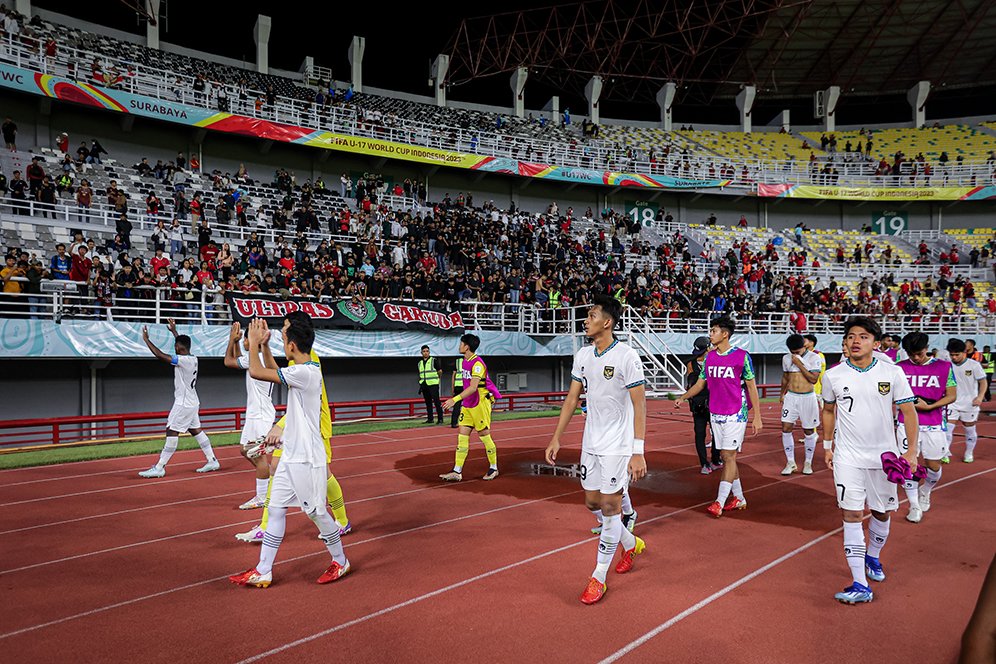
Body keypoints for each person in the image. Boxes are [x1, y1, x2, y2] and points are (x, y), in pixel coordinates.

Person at [229, 317, 350, 588]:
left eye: (284, 340)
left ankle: (341, 561)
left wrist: (255, 344)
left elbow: (258, 372)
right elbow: (273, 369)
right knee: (275, 510)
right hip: (291, 454)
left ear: (293, 345)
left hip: (307, 457)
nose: (282, 342)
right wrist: (267, 348)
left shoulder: (307, 372)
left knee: (318, 514)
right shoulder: (301, 368)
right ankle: (263, 569)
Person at [545, 295, 647, 605]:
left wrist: (638, 450)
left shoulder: (628, 356)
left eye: (591, 315)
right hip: (591, 442)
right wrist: (556, 437)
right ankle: (630, 543)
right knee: (591, 501)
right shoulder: (583, 355)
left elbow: (639, 403)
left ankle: (598, 577)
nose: (585, 320)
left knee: (610, 507)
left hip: (618, 445)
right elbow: (572, 399)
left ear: (607, 322)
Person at [821, 316, 918, 604]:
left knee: (881, 512)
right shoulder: (833, 376)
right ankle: (859, 583)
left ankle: (873, 558)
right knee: (850, 514)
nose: (855, 341)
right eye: (851, 336)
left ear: (876, 344)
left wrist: (910, 451)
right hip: (847, 457)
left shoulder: (893, 373)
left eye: (863, 336)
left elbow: (909, 412)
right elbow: (828, 410)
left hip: (884, 459)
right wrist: (828, 446)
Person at [674, 316, 762, 517]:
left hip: (736, 413)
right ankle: (739, 497)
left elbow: (751, 386)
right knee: (726, 456)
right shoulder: (710, 358)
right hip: (716, 412)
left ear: (725, 334)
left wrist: (757, 416)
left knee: (728, 456)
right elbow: (700, 384)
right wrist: (683, 396)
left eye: (713, 331)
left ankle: (719, 501)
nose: (710, 334)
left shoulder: (742, 357)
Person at [138, 318, 219, 477]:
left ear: (178, 348)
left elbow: (161, 356)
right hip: (193, 401)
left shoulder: (182, 361)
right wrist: (174, 331)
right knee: (196, 430)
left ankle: (160, 467)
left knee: (171, 430)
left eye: (176, 346)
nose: (174, 348)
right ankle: (212, 460)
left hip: (183, 404)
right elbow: (179, 345)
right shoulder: (193, 358)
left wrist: (147, 340)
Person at [896, 332, 956, 523]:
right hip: (905, 423)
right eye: (911, 354)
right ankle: (913, 505)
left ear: (927, 348)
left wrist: (930, 406)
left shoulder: (944, 367)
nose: (916, 358)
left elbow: (952, 395)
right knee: (908, 464)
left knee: (933, 465)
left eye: (919, 353)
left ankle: (926, 490)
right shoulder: (898, 368)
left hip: (934, 423)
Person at [224, 322, 276, 511]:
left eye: (246, 338)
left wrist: (231, 340)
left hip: (260, 414)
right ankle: (269, 478)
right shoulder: (255, 357)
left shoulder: (258, 357)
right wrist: (237, 342)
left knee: (257, 455)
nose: (245, 342)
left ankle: (263, 496)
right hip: (256, 413)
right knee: (245, 450)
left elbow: (229, 361)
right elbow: (238, 359)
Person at [440, 334, 501, 481]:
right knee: (462, 437)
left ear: (467, 346)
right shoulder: (464, 361)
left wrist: (454, 400)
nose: (459, 345)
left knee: (484, 436)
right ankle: (457, 471)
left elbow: (474, 387)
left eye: (461, 343)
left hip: (480, 403)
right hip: (468, 403)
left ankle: (494, 468)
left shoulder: (478, 364)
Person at [778, 334, 822, 475]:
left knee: (809, 431)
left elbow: (813, 379)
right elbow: (786, 377)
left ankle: (808, 462)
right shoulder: (786, 358)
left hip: (807, 398)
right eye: (793, 352)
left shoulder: (815, 358)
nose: (795, 355)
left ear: (804, 346)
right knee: (785, 427)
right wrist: (781, 393)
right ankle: (790, 462)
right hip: (791, 397)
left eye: (797, 352)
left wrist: (799, 363)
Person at [946, 338, 986, 463]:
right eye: (951, 355)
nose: (954, 357)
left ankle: (969, 453)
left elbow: (983, 382)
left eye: (956, 354)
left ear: (964, 352)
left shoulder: (974, 365)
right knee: (947, 429)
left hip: (969, 403)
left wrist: (979, 397)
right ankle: (945, 452)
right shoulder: (948, 365)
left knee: (969, 429)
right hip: (952, 402)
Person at [686, 336, 721, 474]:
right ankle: (710, 462)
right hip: (702, 404)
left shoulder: (693, 363)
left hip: (706, 403)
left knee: (707, 434)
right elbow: (693, 384)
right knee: (705, 434)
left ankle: (711, 462)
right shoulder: (712, 360)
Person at [417, 344, 443, 424]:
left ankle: (440, 419)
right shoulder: (419, 363)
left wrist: (437, 379)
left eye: (427, 351)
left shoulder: (433, 360)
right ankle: (430, 419)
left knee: (436, 402)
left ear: (429, 352)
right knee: (428, 402)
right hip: (424, 384)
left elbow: (440, 371)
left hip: (433, 384)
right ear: (421, 352)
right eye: (424, 351)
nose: (425, 353)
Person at [804, 334, 827, 399]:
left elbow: (822, 372)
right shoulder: (802, 354)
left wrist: (823, 386)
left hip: (816, 388)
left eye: (804, 341)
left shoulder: (819, 355)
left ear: (811, 343)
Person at [450, 354, 463, 428]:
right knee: (471, 405)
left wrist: (452, 388)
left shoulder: (457, 362)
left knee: (457, 406)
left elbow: (453, 376)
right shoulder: (471, 361)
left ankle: (454, 423)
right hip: (467, 387)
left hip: (457, 386)